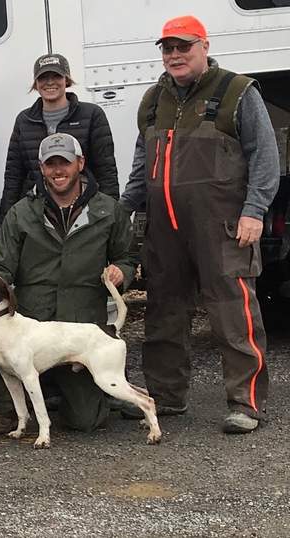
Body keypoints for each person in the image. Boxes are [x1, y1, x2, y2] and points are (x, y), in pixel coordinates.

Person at [119, 15, 279, 433]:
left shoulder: (236, 91)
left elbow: (265, 157)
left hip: (223, 226)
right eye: (168, 48)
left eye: (183, 46)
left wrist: (254, 211)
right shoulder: (154, 99)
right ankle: (167, 398)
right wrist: (122, 211)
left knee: (233, 316)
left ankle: (245, 403)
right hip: (163, 230)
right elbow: (142, 166)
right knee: (163, 315)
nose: (175, 55)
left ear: (204, 46)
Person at [0, 133, 138, 435]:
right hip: (31, 320)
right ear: (42, 168)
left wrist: (121, 272)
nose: (58, 171)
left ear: (80, 163)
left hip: (79, 327)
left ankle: (82, 392)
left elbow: (128, 255)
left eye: (65, 163)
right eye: (51, 164)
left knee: (86, 422)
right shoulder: (21, 213)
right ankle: (4, 409)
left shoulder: (109, 210)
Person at [0, 53, 118, 223]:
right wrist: (5, 223)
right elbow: (13, 177)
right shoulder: (23, 121)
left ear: (67, 80)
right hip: (37, 215)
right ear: (36, 83)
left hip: (84, 212)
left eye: (56, 75)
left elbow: (107, 172)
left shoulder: (92, 115)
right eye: (43, 77)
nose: (49, 82)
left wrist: (110, 218)